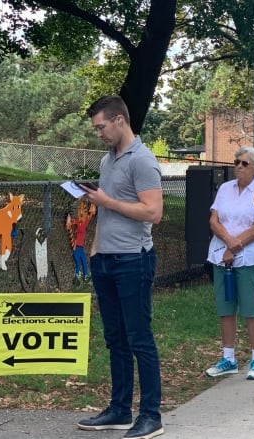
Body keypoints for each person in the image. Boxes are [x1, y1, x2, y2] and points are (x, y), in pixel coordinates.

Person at [77, 96, 164, 439]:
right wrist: (95, 249)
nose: (98, 133)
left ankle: (151, 415)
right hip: (106, 259)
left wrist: (107, 201)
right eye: (95, 128)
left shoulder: (142, 160)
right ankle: (119, 409)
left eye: (101, 126)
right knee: (115, 338)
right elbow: (110, 210)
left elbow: (154, 212)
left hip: (133, 259)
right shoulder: (107, 160)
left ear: (119, 120)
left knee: (139, 337)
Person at [204, 146, 254, 380]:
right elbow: (214, 220)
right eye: (236, 162)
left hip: (249, 258)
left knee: (251, 309)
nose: (238, 167)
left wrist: (235, 246)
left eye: (244, 163)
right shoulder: (225, 188)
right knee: (225, 308)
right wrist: (229, 243)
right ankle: (228, 358)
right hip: (221, 254)